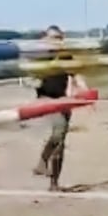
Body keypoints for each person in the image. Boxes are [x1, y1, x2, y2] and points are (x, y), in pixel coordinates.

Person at [29, 24, 88, 191]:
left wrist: (86, 92)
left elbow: (76, 75)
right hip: (46, 99)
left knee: (60, 142)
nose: (55, 42)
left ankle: (54, 183)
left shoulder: (66, 57)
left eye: (58, 38)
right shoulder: (41, 56)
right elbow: (30, 76)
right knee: (59, 130)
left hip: (63, 100)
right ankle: (42, 162)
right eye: (52, 38)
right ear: (45, 39)